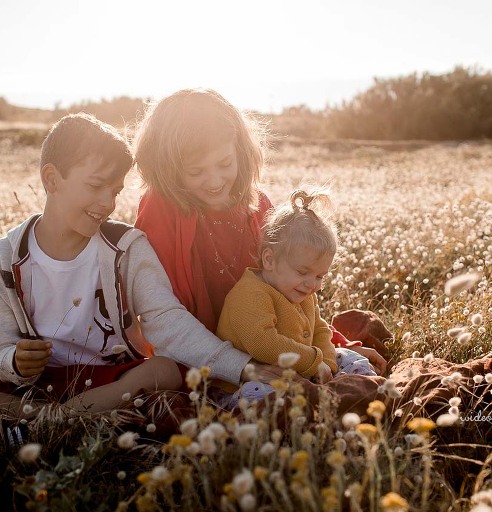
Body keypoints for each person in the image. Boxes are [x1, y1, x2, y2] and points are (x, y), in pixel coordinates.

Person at [0, 113, 268, 423]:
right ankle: (59, 419)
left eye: (114, 190)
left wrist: (243, 368)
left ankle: (35, 422)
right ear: (52, 179)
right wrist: (14, 361)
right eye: (95, 186)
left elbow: (167, 322)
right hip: (28, 384)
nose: (107, 203)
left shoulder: (128, 247)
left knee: (163, 372)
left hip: (108, 379)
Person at [134, 89, 387, 377]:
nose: (215, 180)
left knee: (355, 374)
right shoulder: (161, 209)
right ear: (169, 171)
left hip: (271, 349)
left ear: (240, 151)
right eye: (196, 171)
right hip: (199, 363)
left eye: (225, 164)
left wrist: (339, 344)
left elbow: (288, 290)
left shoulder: (259, 206)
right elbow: (162, 315)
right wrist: (242, 368)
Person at [214, 188, 376, 406]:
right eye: (302, 272)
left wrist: (327, 364)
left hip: (301, 371)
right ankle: (330, 400)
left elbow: (320, 329)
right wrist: (312, 362)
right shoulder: (250, 293)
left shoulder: (301, 291)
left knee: (350, 358)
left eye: (320, 276)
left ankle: (358, 392)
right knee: (268, 397)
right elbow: (263, 342)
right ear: (269, 260)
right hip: (248, 382)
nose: (312, 284)